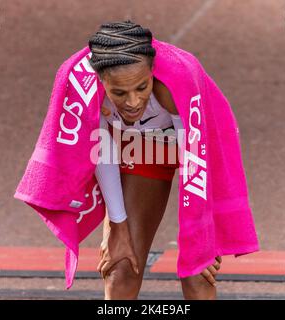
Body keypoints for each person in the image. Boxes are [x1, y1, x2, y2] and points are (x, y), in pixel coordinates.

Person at [88, 20, 222, 300]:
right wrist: (117, 227)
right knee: (121, 265)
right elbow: (105, 154)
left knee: (198, 270)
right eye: (120, 93)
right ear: (102, 83)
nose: (134, 102)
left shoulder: (172, 90)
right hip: (142, 147)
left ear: (152, 73)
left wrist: (204, 232)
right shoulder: (90, 93)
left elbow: (195, 162)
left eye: (141, 87)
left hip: (195, 146)